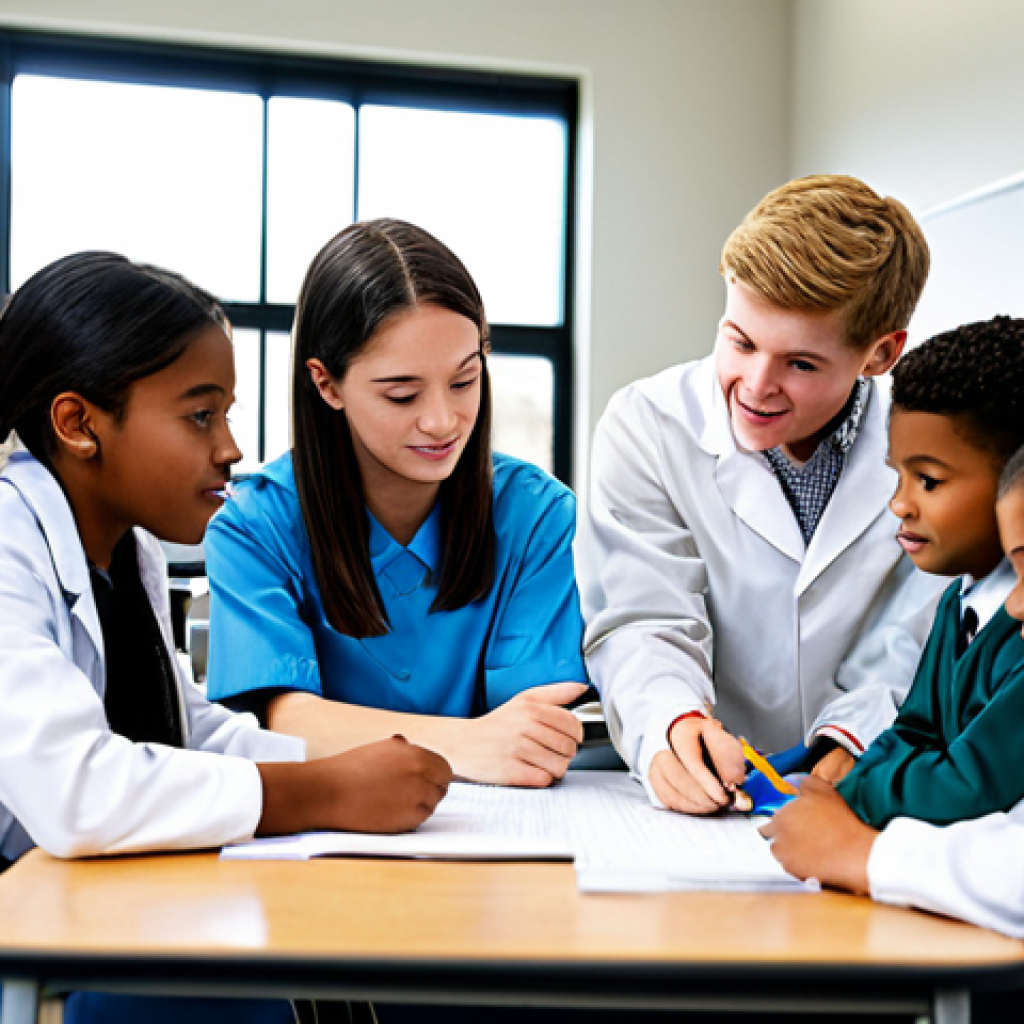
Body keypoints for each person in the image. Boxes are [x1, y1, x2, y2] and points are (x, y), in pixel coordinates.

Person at [0, 252, 452, 1024]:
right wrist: (328, 790)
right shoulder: (9, 544)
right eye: (200, 415)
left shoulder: (125, 552)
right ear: (79, 424)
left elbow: (187, 732)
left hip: (99, 901)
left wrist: (356, 769)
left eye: (228, 413)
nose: (231, 448)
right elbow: (76, 790)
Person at [580, 174, 946, 814]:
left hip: (864, 786)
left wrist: (854, 746)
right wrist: (670, 721)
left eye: (800, 364)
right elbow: (643, 617)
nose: (755, 384)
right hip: (695, 790)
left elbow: (911, 636)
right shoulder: (646, 426)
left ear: (881, 354)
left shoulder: (931, 461)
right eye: (740, 341)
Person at [205, 219, 588, 787]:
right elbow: (282, 722)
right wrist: (469, 743)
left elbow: (534, 730)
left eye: (464, 382)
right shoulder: (253, 525)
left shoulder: (536, 516)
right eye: (402, 394)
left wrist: (491, 745)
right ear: (326, 383)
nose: (441, 422)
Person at [764, 429, 1024, 944]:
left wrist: (860, 848)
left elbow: (974, 790)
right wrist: (852, 788)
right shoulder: (958, 604)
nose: (1014, 606)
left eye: (929, 480)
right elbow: (916, 726)